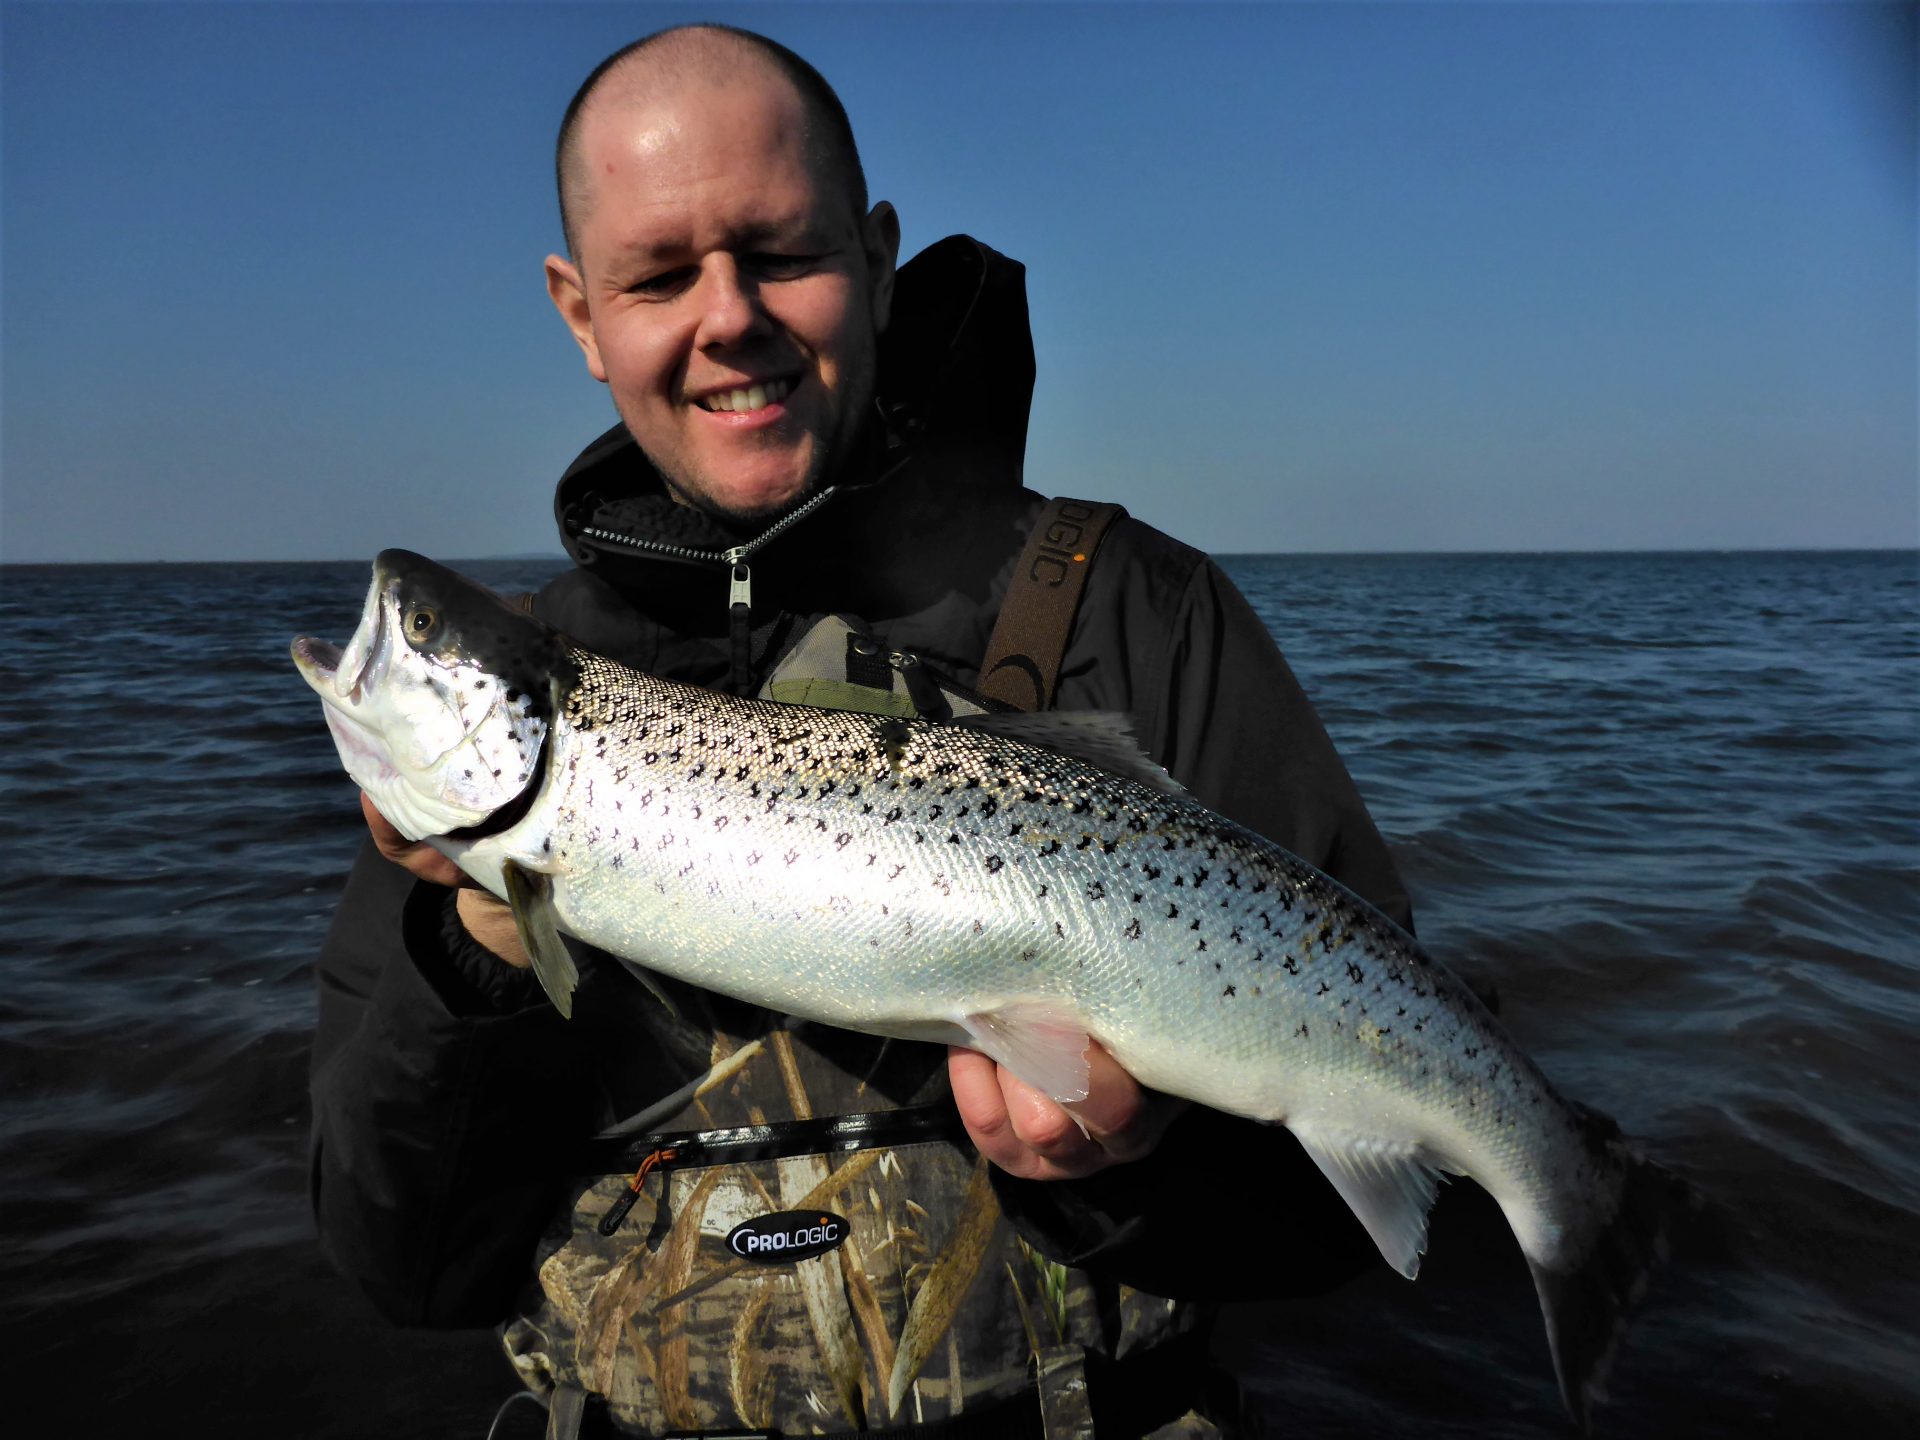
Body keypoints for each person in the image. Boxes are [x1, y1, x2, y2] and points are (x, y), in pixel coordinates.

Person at [310, 24, 1414, 1439]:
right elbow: (407, 1261)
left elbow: (1337, 1212)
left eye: (779, 254)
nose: (729, 317)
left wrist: (1135, 1171)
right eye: (658, 276)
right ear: (580, 315)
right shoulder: (529, 718)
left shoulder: (1138, 615)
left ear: (880, 259)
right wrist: (470, 957)